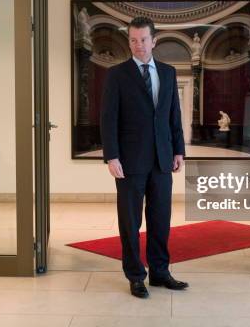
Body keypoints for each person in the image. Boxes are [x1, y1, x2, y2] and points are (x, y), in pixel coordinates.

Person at [100, 16, 188, 299]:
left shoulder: (168, 72)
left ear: (154, 41)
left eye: (143, 40)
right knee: (130, 222)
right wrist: (112, 156)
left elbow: (174, 114)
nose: (138, 45)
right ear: (129, 42)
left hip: (162, 159)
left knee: (161, 219)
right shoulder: (117, 74)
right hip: (129, 161)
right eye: (133, 40)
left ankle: (160, 272)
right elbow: (108, 119)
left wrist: (178, 150)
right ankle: (136, 275)